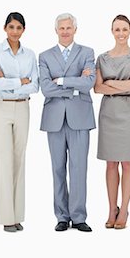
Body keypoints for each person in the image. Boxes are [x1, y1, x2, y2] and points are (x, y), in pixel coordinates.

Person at [39, 13, 96, 232]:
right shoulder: (45, 56)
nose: (65, 31)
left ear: (75, 29)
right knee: (57, 168)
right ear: (56, 31)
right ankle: (62, 216)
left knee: (79, 168)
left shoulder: (87, 52)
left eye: (68, 28)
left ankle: (79, 216)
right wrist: (74, 87)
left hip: (80, 117)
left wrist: (61, 81)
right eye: (61, 28)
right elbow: (45, 88)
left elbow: (89, 82)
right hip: (54, 118)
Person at [94, 15, 130, 229]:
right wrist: (123, 84)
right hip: (109, 112)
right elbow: (97, 88)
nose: (121, 33)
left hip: (128, 111)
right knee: (111, 163)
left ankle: (124, 209)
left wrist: (111, 82)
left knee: (127, 162)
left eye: (125, 29)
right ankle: (111, 208)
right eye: (117, 29)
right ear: (112, 31)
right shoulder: (102, 58)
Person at [0, 12, 39, 232]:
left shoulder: (30, 54)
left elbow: (35, 86)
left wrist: (10, 82)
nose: (15, 31)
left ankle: (17, 215)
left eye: (19, 27)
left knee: (19, 160)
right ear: (5, 28)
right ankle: (6, 217)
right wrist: (20, 80)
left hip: (23, 107)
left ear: (23, 30)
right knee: (4, 160)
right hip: (1, 108)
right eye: (11, 27)